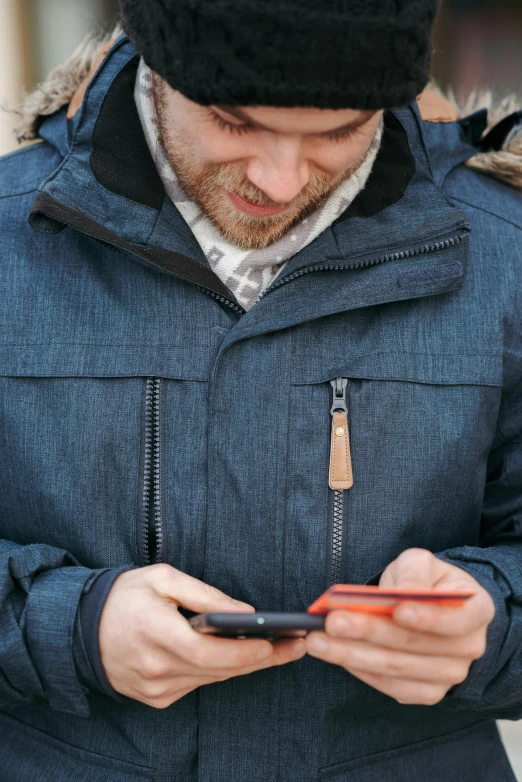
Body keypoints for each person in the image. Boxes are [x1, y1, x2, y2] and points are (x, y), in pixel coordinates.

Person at [1, 1, 521, 779]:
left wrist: (494, 622)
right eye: (234, 122)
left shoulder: (506, 253)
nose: (278, 181)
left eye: (339, 132)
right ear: (157, 65)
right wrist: (66, 626)